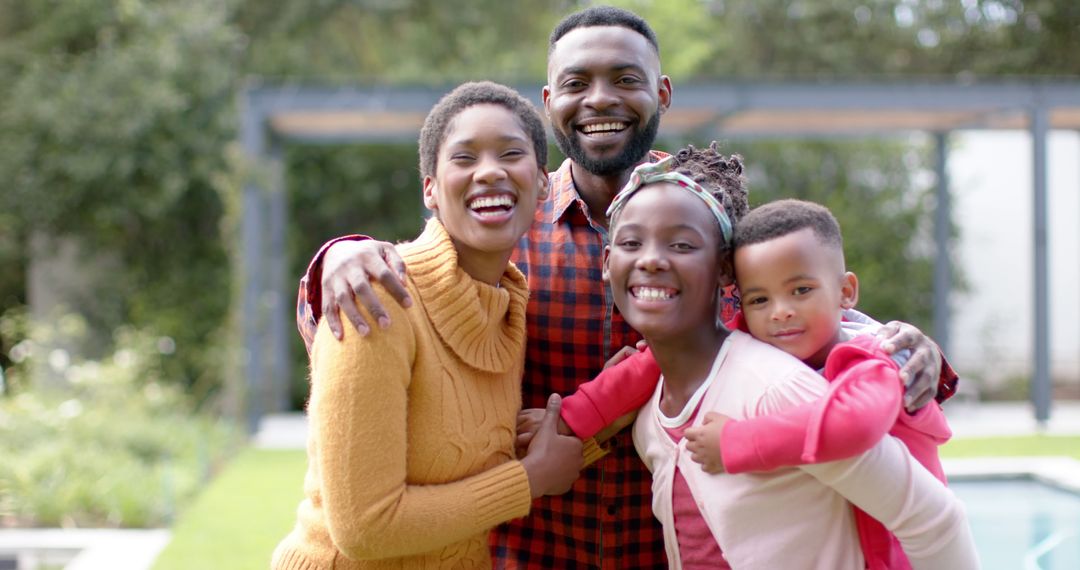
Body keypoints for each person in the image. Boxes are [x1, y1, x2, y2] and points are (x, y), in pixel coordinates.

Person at [293, 6, 956, 568]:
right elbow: (404, 286)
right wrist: (337, 258)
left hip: (666, 548)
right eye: (577, 82)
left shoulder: (714, 230)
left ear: (662, 93)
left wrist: (901, 348)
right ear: (551, 105)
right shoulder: (508, 230)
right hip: (534, 551)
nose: (601, 98)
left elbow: (798, 312)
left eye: (625, 79)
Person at [598, 153, 978, 568]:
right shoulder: (652, 415)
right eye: (631, 243)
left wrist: (736, 442)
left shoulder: (778, 388)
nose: (652, 260)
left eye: (683, 244)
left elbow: (935, 521)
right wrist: (561, 422)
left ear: (724, 270)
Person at [271, 81, 585, 569]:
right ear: (430, 190)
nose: (489, 172)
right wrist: (530, 480)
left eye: (510, 153)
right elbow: (365, 528)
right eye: (464, 158)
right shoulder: (377, 294)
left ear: (543, 184)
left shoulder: (506, 306)